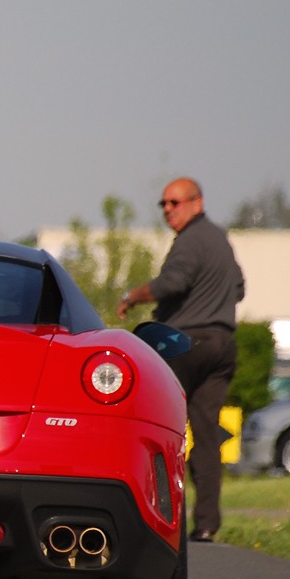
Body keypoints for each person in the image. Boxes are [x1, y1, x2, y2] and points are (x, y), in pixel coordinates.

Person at [117, 178, 245, 543]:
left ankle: (154, 518)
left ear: (197, 202)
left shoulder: (189, 241)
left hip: (185, 342)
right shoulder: (219, 239)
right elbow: (238, 286)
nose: (168, 210)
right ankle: (206, 524)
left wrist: (132, 295)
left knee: (160, 426)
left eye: (174, 202)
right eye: (164, 204)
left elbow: (173, 282)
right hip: (222, 343)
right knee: (206, 435)